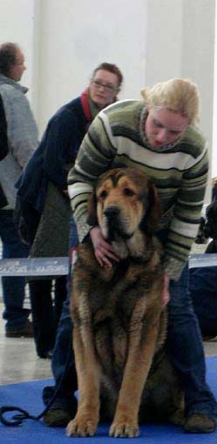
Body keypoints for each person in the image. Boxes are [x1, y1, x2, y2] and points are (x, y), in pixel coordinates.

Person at [42, 78, 217, 433]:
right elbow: (79, 179)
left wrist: (168, 276)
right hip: (95, 215)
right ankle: (62, 401)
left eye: (174, 132)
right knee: (73, 314)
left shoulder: (195, 150)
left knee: (179, 308)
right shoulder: (112, 123)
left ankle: (199, 403)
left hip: (156, 225)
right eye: (157, 125)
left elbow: (186, 218)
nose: (161, 137)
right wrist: (90, 230)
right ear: (146, 108)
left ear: (189, 127)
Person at [15, 63, 123, 359]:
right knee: (42, 268)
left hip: (74, 198)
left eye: (108, 86)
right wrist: (80, 193)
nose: (101, 89)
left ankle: (65, 339)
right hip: (43, 198)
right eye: (98, 83)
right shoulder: (68, 116)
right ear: (90, 83)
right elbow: (51, 163)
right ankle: (46, 342)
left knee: (69, 268)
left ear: (116, 92)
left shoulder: (107, 119)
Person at [0, 42, 38, 338]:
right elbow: (25, 146)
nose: (24, 67)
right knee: (16, 251)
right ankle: (15, 320)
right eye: (22, 62)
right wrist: (34, 180)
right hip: (8, 191)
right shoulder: (12, 97)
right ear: (11, 66)